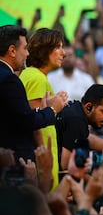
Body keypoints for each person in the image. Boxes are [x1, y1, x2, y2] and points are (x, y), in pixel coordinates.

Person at [0, 25, 67, 162]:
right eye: (58, 47)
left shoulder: (25, 75)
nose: (27, 53)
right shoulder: (31, 78)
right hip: (23, 160)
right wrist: (53, 109)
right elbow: (31, 124)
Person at [19, 27, 67, 190]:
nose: (64, 53)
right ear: (44, 50)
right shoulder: (37, 78)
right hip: (42, 160)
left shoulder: (31, 75)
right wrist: (44, 166)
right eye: (58, 47)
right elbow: (36, 123)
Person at [56, 83, 103, 170]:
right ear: (89, 107)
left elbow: (87, 138)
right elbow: (66, 166)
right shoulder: (76, 119)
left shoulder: (77, 110)